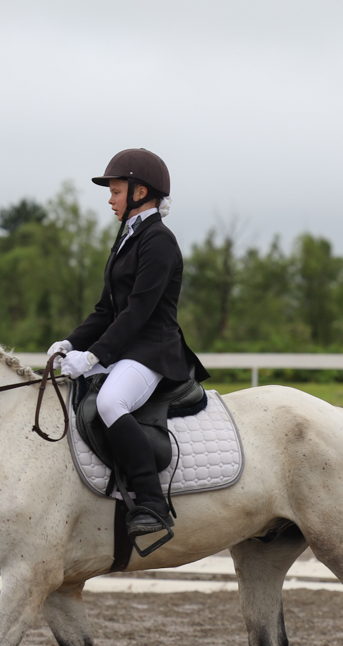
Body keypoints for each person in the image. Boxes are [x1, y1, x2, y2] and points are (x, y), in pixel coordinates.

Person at [47, 148, 209, 545]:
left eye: (116, 191)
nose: (110, 198)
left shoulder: (159, 241)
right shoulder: (128, 238)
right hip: (125, 350)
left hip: (153, 351)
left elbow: (138, 312)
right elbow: (106, 309)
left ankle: (151, 503)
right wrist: (71, 341)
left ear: (141, 192)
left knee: (109, 403)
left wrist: (93, 356)